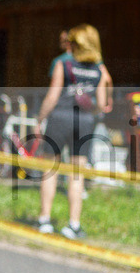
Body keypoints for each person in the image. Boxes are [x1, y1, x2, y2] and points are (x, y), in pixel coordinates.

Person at [34, 23, 112, 239]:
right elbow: (101, 104)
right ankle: (73, 225)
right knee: (77, 174)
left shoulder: (64, 64)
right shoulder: (99, 69)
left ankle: (44, 220)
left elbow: (52, 96)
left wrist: (39, 119)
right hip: (84, 123)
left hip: (59, 118)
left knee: (50, 171)